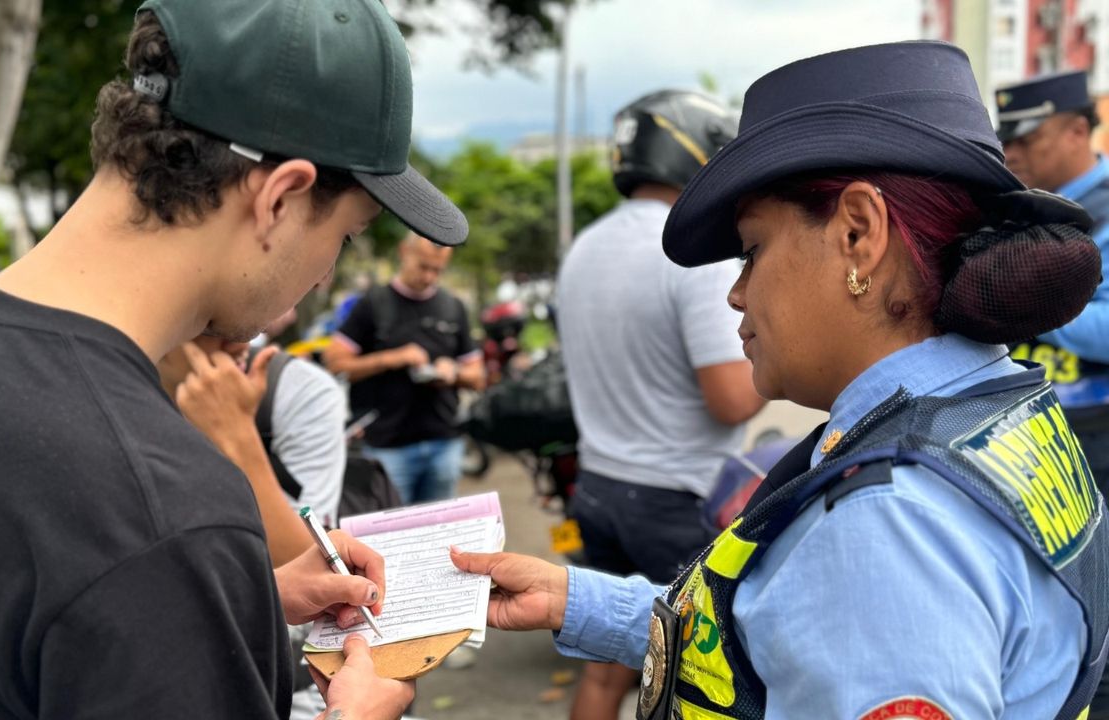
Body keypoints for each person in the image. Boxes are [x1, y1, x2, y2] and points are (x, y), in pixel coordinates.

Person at [0, 0, 469, 718]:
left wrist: (228, 604)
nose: (324, 275)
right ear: (281, 197)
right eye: (346, 236)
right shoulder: (164, 510)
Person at [450, 41, 1109, 719]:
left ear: (858, 235)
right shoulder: (987, 405)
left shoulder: (883, 530)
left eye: (751, 251)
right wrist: (577, 602)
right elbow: (776, 637)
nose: (736, 295)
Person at [555, 89, 764, 720]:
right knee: (696, 681)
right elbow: (731, 401)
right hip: (676, 500)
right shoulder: (693, 254)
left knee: (605, 669)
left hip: (598, 487)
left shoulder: (584, 247)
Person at [996, 71, 1109, 495]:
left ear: (1078, 131)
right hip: (1014, 427)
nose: (1011, 153)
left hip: (1094, 432)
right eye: (1006, 140)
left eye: (1026, 139)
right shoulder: (1016, 205)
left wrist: (1025, 301)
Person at [324, 233, 487, 505]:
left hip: (443, 444)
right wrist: (392, 358)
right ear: (404, 252)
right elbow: (335, 363)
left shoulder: (453, 307)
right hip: (387, 447)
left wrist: (453, 373)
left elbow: (478, 376)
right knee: (390, 536)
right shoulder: (373, 303)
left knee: (439, 536)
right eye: (423, 266)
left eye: (438, 270)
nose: (429, 277)